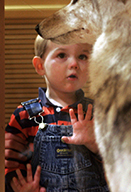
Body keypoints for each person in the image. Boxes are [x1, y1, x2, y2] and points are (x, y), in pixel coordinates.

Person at [5, 35, 109, 192]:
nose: (74, 64)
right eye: (61, 55)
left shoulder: (100, 114)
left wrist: (95, 143)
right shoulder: (25, 116)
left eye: (82, 56)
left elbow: (122, 167)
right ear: (40, 66)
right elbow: (8, 165)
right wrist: (20, 188)